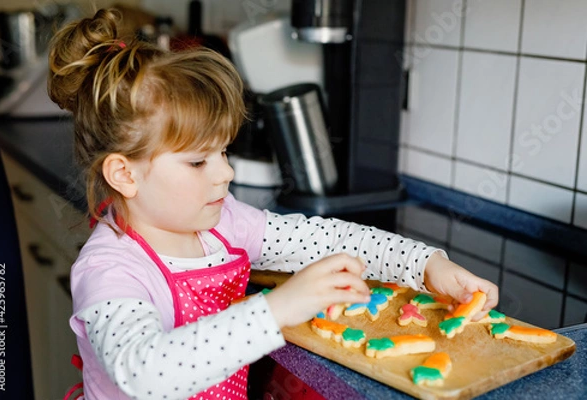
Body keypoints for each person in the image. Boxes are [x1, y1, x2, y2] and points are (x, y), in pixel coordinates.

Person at [49, 8, 498, 400]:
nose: (225, 173)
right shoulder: (110, 269)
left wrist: (425, 265)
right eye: (197, 161)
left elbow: (329, 239)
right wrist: (279, 308)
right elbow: (144, 374)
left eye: (223, 152)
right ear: (124, 174)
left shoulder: (223, 223)